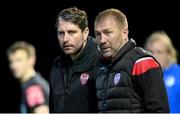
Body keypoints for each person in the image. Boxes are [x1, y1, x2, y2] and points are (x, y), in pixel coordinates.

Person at [94, 8, 169, 112]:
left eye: (108, 32)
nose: (102, 40)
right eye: (98, 34)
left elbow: (160, 110)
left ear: (124, 33)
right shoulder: (99, 66)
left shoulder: (143, 62)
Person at [49, 7, 98, 112]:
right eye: (61, 33)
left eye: (71, 32)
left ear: (85, 33)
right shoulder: (57, 65)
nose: (65, 39)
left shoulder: (101, 61)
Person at [7, 41, 49, 113]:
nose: (14, 66)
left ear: (31, 60)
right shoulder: (29, 84)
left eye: (18, 60)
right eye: (11, 62)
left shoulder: (33, 87)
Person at [144, 30, 180, 113]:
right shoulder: (142, 76)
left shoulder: (178, 74)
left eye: (159, 52)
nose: (153, 56)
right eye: (150, 52)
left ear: (169, 53)